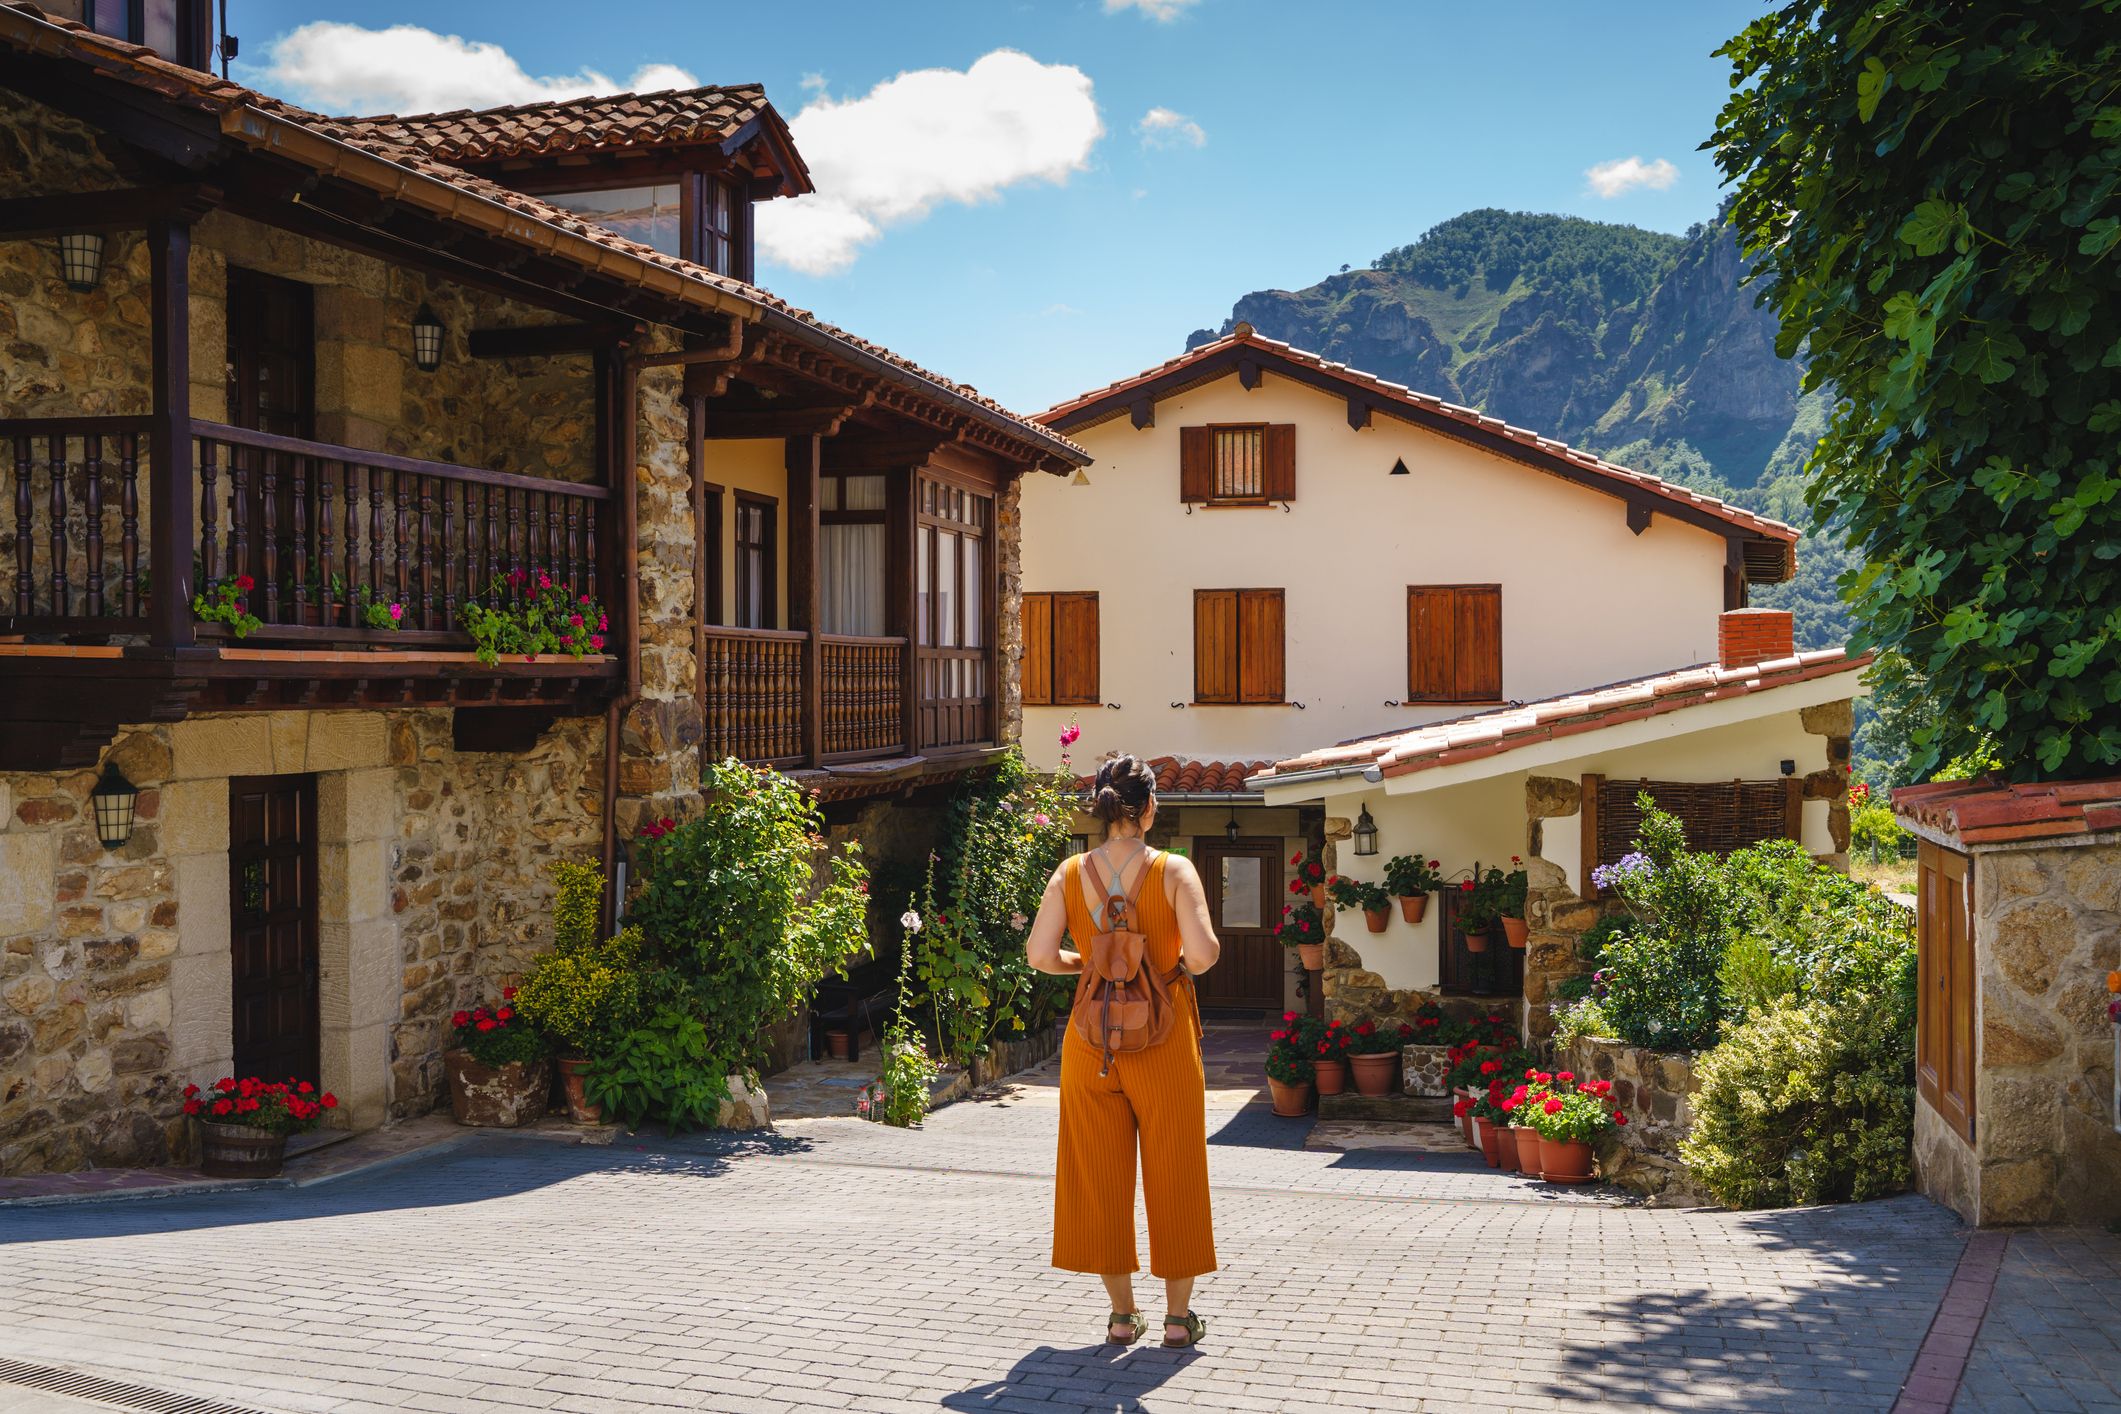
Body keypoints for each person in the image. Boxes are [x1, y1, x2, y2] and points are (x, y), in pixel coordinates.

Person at [1024, 754, 1222, 1349]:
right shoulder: (1173, 870)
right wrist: (1161, 970)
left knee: (1099, 1174)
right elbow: (1205, 953)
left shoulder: (1069, 872)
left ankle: (1119, 1315)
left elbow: (1038, 955)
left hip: (1090, 1042)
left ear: (1103, 811)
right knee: (1176, 1169)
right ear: (1150, 808)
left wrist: (1092, 964)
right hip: (1163, 1040)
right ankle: (1177, 1320)